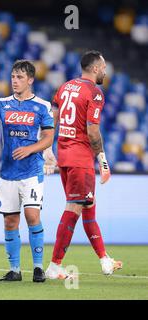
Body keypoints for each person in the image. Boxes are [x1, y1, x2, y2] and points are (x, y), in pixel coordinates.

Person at [45, 50, 122, 279]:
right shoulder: (94, 92)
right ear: (96, 68)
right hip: (80, 159)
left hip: (65, 155)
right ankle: (54, 265)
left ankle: (104, 259)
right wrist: (102, 159)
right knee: (74, 208)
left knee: (88, 206)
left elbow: (52, 117)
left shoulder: (65, 87)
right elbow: (92, 130)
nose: (105, 71)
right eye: (104, 67)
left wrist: (49, 148)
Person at [0, 60, 54, 282]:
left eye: (19, 77)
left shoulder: (42, 106)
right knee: (10, 222)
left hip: (32, 170)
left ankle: (38, 268)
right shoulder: (2, 104)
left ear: (30, 80)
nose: (15, 81)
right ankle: (15, 270)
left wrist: (30, 148)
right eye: (12, 77)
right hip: (8, 172)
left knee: (32, 215)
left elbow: (49, 137)